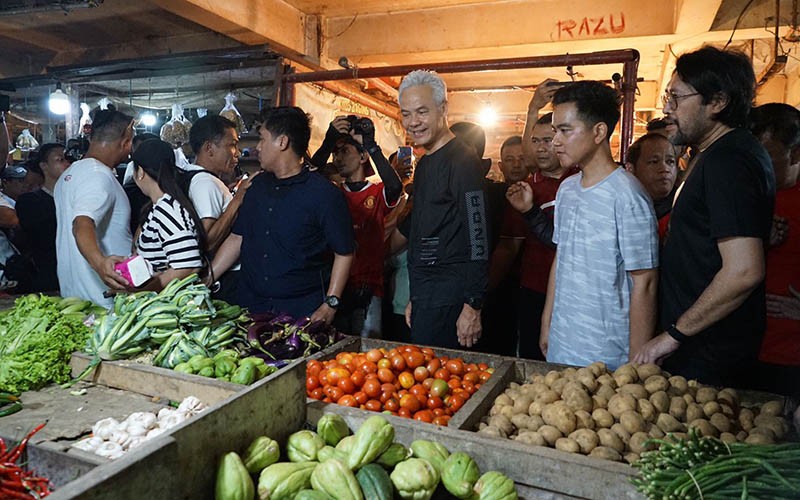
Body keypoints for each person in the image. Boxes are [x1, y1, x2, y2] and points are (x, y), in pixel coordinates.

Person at [634, 47, 775, 387]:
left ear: (717, 102)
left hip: (709, 351)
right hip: (698, 343)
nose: (667, 107)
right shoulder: (712, 154)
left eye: (677, 97)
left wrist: (673, 335)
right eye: (668, 97)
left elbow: (744, 270)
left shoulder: (729, 162)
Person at [509, 81, 658, 370]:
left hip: (608, 353)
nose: (555, 142)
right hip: (562, 341)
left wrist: (637, 365)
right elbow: (561, 257)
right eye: (555, 131)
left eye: (565, 131)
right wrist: (547, 321)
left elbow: (645, 282)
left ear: (598, 132)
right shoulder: (568, 190)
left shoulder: (628, 196)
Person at [211, 106, 354, 322]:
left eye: (262, 139)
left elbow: (344, 253)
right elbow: (237, 237)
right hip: (251, 306)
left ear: (282, 142)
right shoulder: (256, 187)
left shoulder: (324, 194)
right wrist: (208, 277)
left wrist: (331, 303)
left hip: (301, 311)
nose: (258, 147)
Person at [397, 70, 488, 349]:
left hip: (453, 300)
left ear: (443, 109)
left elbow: (478, 237)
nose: (413, 122)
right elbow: (424, 230)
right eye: (406, 114)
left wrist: (473, 304)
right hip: (427, 295)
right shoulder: (425, 163)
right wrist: (416, 295)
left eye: (422, 112)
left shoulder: (462, 160)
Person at [313, 115, 403, 337]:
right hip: (337, 286)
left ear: (363, 157)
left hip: (370, 287)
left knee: (368, 345)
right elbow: (310, 175)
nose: (337, 158)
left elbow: (395, 186)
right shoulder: (333, 193)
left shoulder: (376, 192)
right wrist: (328, 142)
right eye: (335, 153)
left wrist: (371, 146)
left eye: (345, 151)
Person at [499, 111, 579, 360]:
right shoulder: (525, 189)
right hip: (534, 289)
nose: (541, 148)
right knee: (533, 361)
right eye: (535, 141)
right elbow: (509, 246)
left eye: (548, 140)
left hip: (576, 292)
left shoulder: (582, 181)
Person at [744, 103, 800, 396]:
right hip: (739, 349)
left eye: (765, 156)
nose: (754, 166)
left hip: (789, 359)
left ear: (796, 154)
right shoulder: (739, 195)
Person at [55, 109, 134, 306]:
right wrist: (100, 264)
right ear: (126, 142)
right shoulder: (98, 175)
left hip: (76, 296)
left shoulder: (69, 174)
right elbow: (81, 223)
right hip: (103, 299)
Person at [186, 115, 255, 302]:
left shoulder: (193, 176)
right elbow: (208, 242)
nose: (237, 153)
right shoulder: (206, 183)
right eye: (232, 145)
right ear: (209, 148)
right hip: (224, 279)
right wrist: (237, 199)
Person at [131, 139, 205, 291]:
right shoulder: (159, 206)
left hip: (167, 300)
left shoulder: (168, 210)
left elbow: (188, 265)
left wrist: (146, 290)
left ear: (140, 172)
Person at [15, 143, 70, 292]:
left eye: (68, 159)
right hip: (48, 276)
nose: (67, 164)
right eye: (60, 159)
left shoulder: (75, 198)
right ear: (44, 166)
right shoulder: (30, 201)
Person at [624, 133, 679, 240]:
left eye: (670, 162)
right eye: (654, 162)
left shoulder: (684, 208)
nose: (665, 169)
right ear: (630, 169)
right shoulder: (622, 209)